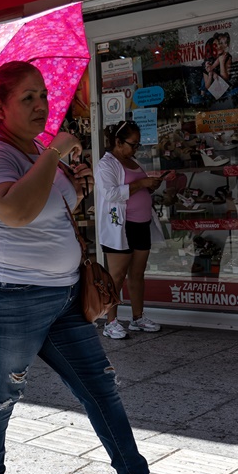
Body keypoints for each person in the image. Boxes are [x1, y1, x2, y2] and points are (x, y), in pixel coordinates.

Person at [0, 60, 199, 474]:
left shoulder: (33, 152)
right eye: (27, 97)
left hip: (63, 295)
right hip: (9, 298)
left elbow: (55, 204)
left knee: (100, 386)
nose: (41, 105)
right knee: (3, 392)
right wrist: (53, 154)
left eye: (43, 95)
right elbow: (13, 211)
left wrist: (79, 185)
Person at [94, 120, 166, 339]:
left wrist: (150, 185)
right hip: (120, 227)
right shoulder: (106, 164)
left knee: (137, 274)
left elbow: (135, 188)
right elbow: (111, 193)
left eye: (138, 145)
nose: (136, 148)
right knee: (116, 276)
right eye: (133, 144)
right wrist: (142, 184)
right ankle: (111, 321)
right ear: (118, 142)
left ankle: (138, 317)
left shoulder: (131, 161)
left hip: (141, 224)